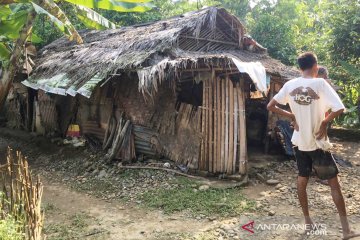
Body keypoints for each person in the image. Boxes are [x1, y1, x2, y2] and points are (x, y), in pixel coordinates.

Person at [267, 52, 359, 240]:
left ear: (300, 68)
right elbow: (339, 108)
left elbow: (271, 105)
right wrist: (324, 123)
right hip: (317, 143)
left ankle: (308, 224)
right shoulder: (320, 84)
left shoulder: (289, 85)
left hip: (299, 142)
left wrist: (292, 116)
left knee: (302, 179)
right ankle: (346, 230)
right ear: (316, 66)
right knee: (334, 184)